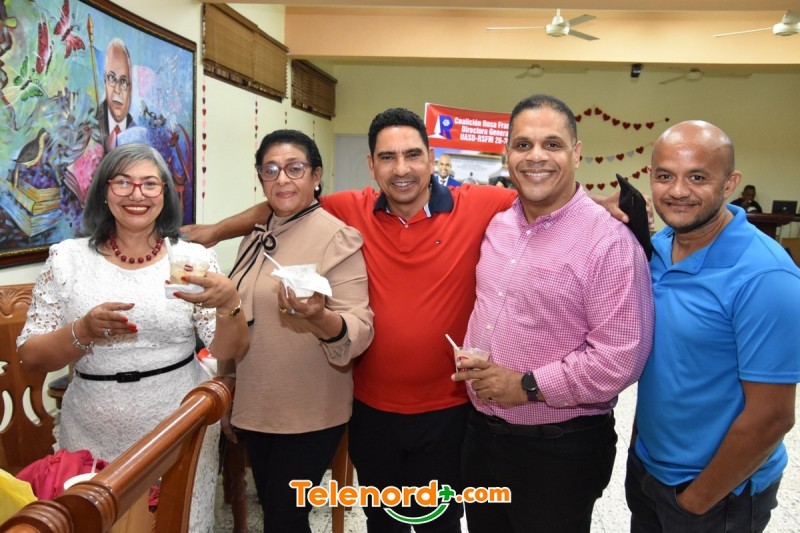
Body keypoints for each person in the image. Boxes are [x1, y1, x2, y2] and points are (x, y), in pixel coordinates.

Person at [181, 108, 633, 532]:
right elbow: (284, 200)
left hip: (450, 412)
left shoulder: (479, 204)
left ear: (432, 159)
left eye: (413, 155)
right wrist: (215, 231)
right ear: (371, 165)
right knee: (384, 521)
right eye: (387, 157)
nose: (402, 169)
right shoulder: (351, 208)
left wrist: (596, 204)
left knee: (439, 522)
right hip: (371, 411)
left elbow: (543, 190)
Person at [17, 143, 249, 532]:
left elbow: (230, 349)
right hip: (91, 428)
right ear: (103, 192)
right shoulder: (68, 258)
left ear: (165, 193)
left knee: (178, 522)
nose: (136, 194)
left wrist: (230, 303)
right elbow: (31, 357)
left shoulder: (190, 259)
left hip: (178, 425)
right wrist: (82, 331)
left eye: (149, 184)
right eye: (122, 182)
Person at [452, 94, 654, 533]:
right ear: (506, 154)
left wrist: (525, 385)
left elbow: (620, 358)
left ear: (577, 154)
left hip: (558, 450)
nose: (536, 157)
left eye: (553, 144)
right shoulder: (498, 224)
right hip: (482, 435)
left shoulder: (609, 242)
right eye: (523, 145)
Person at [625, 120, 800, 533]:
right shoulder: (657, 248)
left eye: (698, 177)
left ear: (730, 183)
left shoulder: (766, 277)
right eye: (665, 176)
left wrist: (697, 502)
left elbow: (772, 417)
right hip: (649, 469)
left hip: (718, 493)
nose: (678, 191)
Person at [217, 129, 374, 532]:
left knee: (284, 518)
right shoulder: (255, 238)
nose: (282, 179)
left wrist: (319, 317)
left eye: (294, 168)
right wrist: (227, 384)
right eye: (270, 170)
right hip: (256, 401)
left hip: (310, 408)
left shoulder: (336, 237)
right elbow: (238, 315)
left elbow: (359, 328)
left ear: (316, 176)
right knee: (275, 512)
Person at [97, 38, 135, 153]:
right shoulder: (91, 126)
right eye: (112, 78)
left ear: (130, 88)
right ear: (105, 80)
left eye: (123, 81)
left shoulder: (136, 132)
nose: (117, 90)